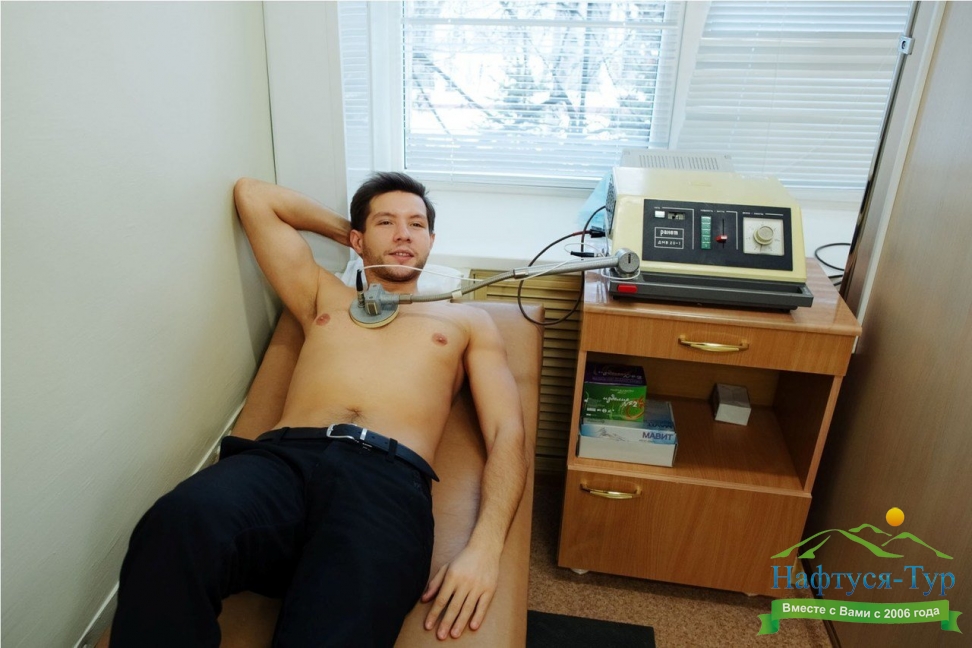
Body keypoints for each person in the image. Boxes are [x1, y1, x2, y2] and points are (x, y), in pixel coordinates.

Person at [110, 172, 529, 647]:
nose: (403, 235)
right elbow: (254, 196)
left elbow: (507, 433)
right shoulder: (322, 294)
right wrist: (352, 235)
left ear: (432, 240)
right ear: (358, 238)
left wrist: (485, 548)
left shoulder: (467, 320)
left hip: (385, 485)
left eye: (416, 225)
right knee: (177, 522)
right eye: (386, 222)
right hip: (279, 464)